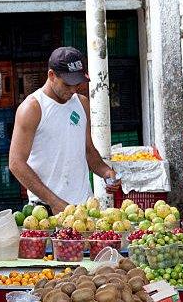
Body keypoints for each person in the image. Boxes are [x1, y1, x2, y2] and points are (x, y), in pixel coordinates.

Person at [9, 47, 117, 214]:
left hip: (83, 207)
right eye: (67, 84)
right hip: (46, 210)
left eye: (77, 83)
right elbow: (16, 163)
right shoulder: (32, 108)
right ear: (51, 75)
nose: (73, 90)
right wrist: (54, 202)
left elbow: (88, 150)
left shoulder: (81, 103)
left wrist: (106, 171)